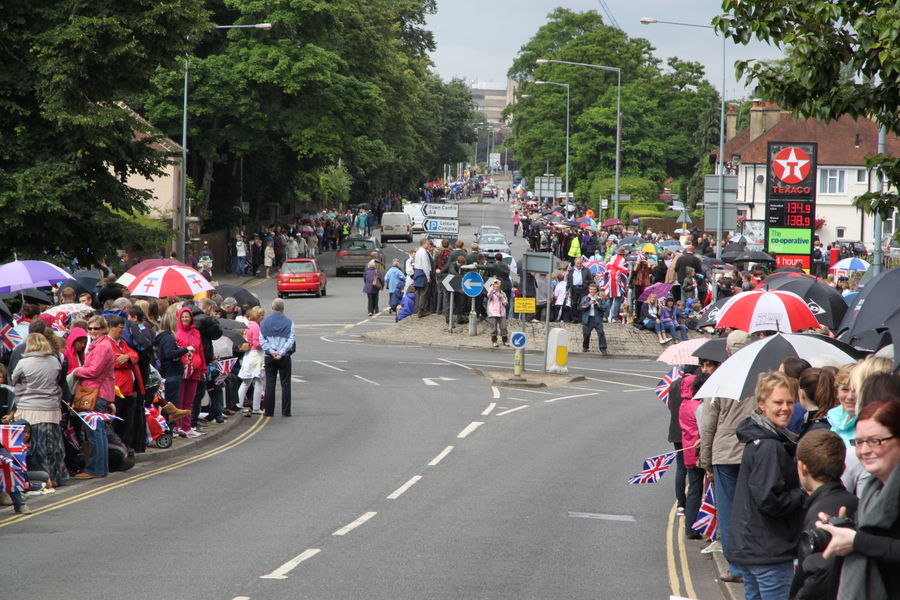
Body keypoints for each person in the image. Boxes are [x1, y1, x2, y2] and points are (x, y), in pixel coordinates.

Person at [726, 371, 805, 600]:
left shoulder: (759, 438)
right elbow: (769, 500)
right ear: (761, 405)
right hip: (768, 551)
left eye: (790, 402)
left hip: (753, 547)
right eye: (778, 402)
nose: (785, 408)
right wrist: (803, 494)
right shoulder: (770, 446)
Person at [818, 401, 900, 599]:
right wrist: (843, 529)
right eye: (858, 442)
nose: (864, 450)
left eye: (875, 441)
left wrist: (856, 541)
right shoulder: (873, 490)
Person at [698, 330, 754, 572]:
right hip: (752, 450)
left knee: (729, 510)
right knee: (748, 509)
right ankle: (748, 562)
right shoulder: (760, 375)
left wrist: (705, 461)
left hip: (724, 452)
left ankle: (736, 568)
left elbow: (709, 423)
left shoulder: (720, 377)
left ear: (728, 351)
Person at [789, 429, 859, 600]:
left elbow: (819, 573)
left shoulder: (820, 514)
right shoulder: (854, 502)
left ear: (802, 467)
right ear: (843, 468)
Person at [11, 334, 68, 488]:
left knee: (38, 446)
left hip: (30, 407)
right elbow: (58, 382)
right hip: (51, 407)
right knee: (55, 445)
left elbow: (14, 381)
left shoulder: (23, 362)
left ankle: (45, 478)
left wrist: (23, 394)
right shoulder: (54, 361)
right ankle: (60, 476)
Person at [70, 316, 115, 479]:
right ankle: (100, 468)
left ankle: (95, 469)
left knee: (95, 432)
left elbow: (94, 370)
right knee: (98, 432)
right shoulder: (100, 344)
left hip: (96, 393)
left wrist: (76, 371)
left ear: (103, 329)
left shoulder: (102, 346)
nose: (93, 331)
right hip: (98, 391)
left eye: (96, 328)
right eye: (90, 329)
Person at [105, 314, 144, 455]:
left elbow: (134, 355)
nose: (123, 330)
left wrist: (127, 357)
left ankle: (126, 447)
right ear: (111, 327)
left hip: (128, 388)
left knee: (128, 421)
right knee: (116, 420)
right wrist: (127, 358)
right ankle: (116, 449)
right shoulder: (107, 343)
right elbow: (115, 361)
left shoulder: (122, 343)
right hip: (116, 389)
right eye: (120, 327)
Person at [680, 372, 710, 539]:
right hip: (698, 452)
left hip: (688, 451)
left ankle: (691, 526)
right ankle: (694, 527)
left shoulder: (684, 404)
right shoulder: (697, 406)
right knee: (700, 490)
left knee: (694, 489)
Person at [260, 298, 295, 417]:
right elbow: (291, 340)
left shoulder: (264, 322)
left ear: (272, 308)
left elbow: (262, 340)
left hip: (269, 356)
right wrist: (282, 352)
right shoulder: (289, 322)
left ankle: (268, 411)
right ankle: (286, 411)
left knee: (270, 383)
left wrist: (271, 351)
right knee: (286, 384)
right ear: (283, 308)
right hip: (284, 357)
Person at [174, 307, 205, 438]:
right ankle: (178, 426)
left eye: (187, 317)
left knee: (189, 401)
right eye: (183, 317)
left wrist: (204, 368)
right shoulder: (176, 333)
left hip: (195, 371)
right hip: (182, 371)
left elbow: (201, 352)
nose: (185, 319)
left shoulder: (196, 332)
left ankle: (187, 427)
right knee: (179, 400)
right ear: (179, 319)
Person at [237, 307, 266, 416]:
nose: (263, 317)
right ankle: (256, 407)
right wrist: (265, 342)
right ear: (257, 316)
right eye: (262, 315)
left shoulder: (248, 324)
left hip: (248, 354)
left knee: (246, 382)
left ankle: (238, 405)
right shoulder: (256, 327)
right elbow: (257, 344)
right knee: (259, 381)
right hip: (256, 355)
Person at [579, 283, 609, 355]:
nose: (593, 291)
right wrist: (588, 304)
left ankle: (603, 348)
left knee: (601, 333)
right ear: (589, 290)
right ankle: (585, 347)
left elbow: (605, 307)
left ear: (596, 290)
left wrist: (599, 305)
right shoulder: (585, 298)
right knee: (586, 334)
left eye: (594, 289)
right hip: (588, 319)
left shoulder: (600, 298)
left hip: (597, 319)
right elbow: (581, 307)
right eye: (591, 289)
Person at [413, 238, 433, 318]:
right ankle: (421, 311)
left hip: (417, 272)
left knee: (418, 292)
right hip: (422, 273)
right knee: (423, 293)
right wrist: (428, 276)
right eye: (427, 243)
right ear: (424, 244)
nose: (428, 245)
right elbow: (425, 265)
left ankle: (417, 309)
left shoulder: (418, 251)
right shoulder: (424, 253)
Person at [485, 279, 508, 348]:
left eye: (497, 284)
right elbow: (489, 295)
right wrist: (492, 288)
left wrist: (501, 297)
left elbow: (506, 303)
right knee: (493, 327)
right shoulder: (491, 292)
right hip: (493, 312)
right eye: (495, 284)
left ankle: (505, 340)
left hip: (502, 312)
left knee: (503, 327)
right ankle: (494, 341)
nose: (496, 286)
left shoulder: (503, 293)